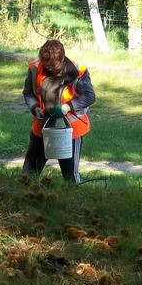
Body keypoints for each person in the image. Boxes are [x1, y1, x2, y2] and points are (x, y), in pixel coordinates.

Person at [22, 39, 95, 183]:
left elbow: (89, 96)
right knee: (28, 175)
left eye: (53, 66)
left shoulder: (78, 71)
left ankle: (72, 200)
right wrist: (35, 107)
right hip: (42, 128)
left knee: (70, 178)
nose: (49, 69)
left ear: (62, 59)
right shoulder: (35, 68)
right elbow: (28, 92)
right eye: (46, 65)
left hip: (70, 131)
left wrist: (67, 107)